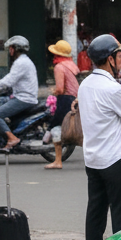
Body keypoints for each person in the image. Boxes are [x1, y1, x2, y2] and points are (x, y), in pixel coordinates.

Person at [78, 34, 121, 240]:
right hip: (115, 159)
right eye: (120, 55)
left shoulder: (85, 85)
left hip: (93, 159)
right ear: (109, 59)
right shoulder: (113, 88)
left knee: (95, 211)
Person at [0, 35, 39, 149]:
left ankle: (12, 138)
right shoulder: (22, 61)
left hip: (23, 99)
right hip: (19, 96)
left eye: (11, 48)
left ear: (15, 48)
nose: (9, 50)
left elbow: (9, 80)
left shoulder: (21, 63)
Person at [44, 39, 79, 170]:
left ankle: (57, 160)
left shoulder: (59, 67)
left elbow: (60, 89)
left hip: (65, 100)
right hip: (74, 99)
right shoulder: (71, 66)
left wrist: (52, 91)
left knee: (55, 126)